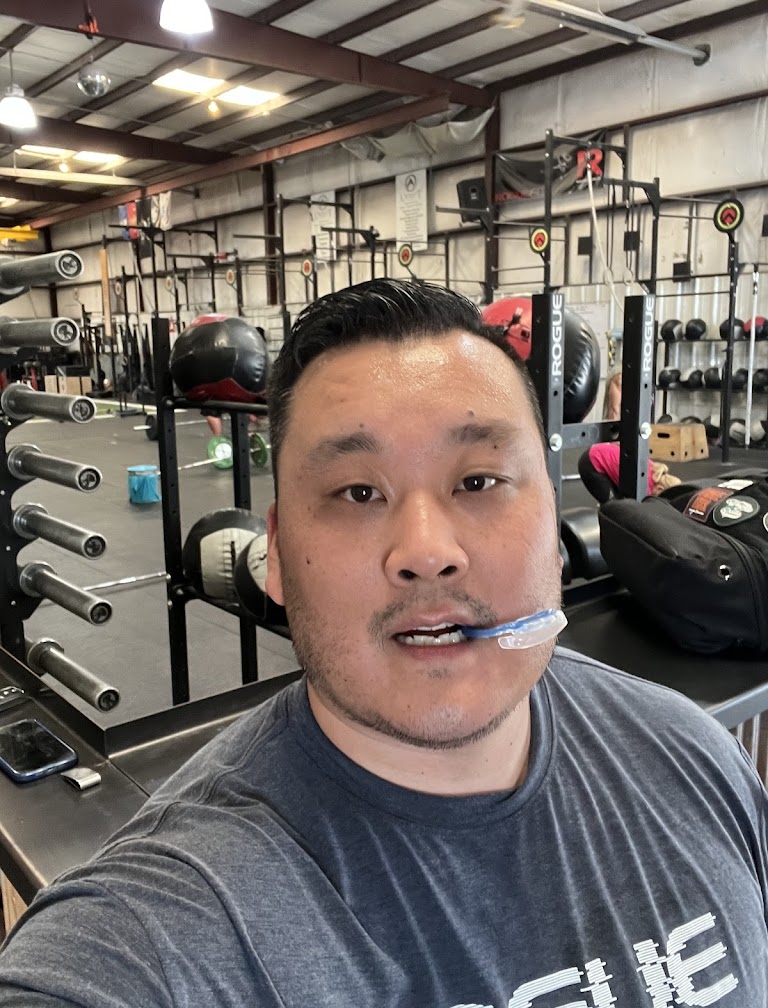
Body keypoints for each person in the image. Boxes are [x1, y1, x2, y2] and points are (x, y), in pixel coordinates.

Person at [0, 279, 766, 1006]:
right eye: (358, 492)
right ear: (275, 554)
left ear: (552, 515)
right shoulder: (166, 921)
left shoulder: (690, 753)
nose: (426, 551)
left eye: (478, 481)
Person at [578, 441, 682, 503]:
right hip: (591, 461)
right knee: (613, 507)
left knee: (621, 501)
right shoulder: (645, 487)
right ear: (660, 489)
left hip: (601, 451)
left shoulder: (656, 471)